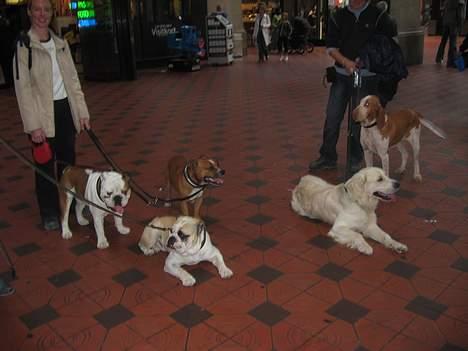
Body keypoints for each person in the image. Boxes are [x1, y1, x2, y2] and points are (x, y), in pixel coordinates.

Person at [13, 0, 90, 231]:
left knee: (68, 166)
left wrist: (82, 111)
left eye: (46, 9)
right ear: (29, 12)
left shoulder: (61, 44)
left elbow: (73, 81)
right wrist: (33, 126)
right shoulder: (24, 45)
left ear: (51, 13)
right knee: (45, 166)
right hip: (42, 115)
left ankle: (71, 207)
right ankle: (49, 213)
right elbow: (22, 89)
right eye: (36, 9)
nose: (41, 14)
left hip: (65, 111)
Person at [309, 0, 397, 172]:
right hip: (342, 75)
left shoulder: (379, 16)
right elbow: (331, 47)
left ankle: (356, 159)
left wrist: (368, 58)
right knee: (332, 117)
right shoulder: (338, 16)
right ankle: (327, 157)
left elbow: (390, 45)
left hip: (367, 78)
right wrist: (346, 62)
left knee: (360, 120)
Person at [435, 0, 465, 67]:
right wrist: (460, 26)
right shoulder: (459, 1)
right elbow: (460, 15)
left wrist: (444, 22)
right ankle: (450, 62)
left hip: (446, 22)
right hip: (454, 24)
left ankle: (438, 58)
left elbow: (444, 12)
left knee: (443, 41)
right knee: (452, 42)